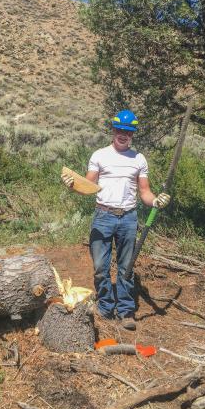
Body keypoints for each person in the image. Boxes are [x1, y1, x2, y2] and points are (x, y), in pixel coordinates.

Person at [61, 110, 170, 330]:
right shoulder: (99, 155)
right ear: (113, 130)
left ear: (133, 134)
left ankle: (126, 310)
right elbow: (88, 187)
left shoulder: (139, 159)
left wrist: (156, 200)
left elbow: (145, 192)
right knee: (101, 267)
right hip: (103, 216)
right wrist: (72, 184)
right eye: (120, 130)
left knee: (126, 267)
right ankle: (105, 306)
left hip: (128, 218)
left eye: (128, 132)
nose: (123, 135)